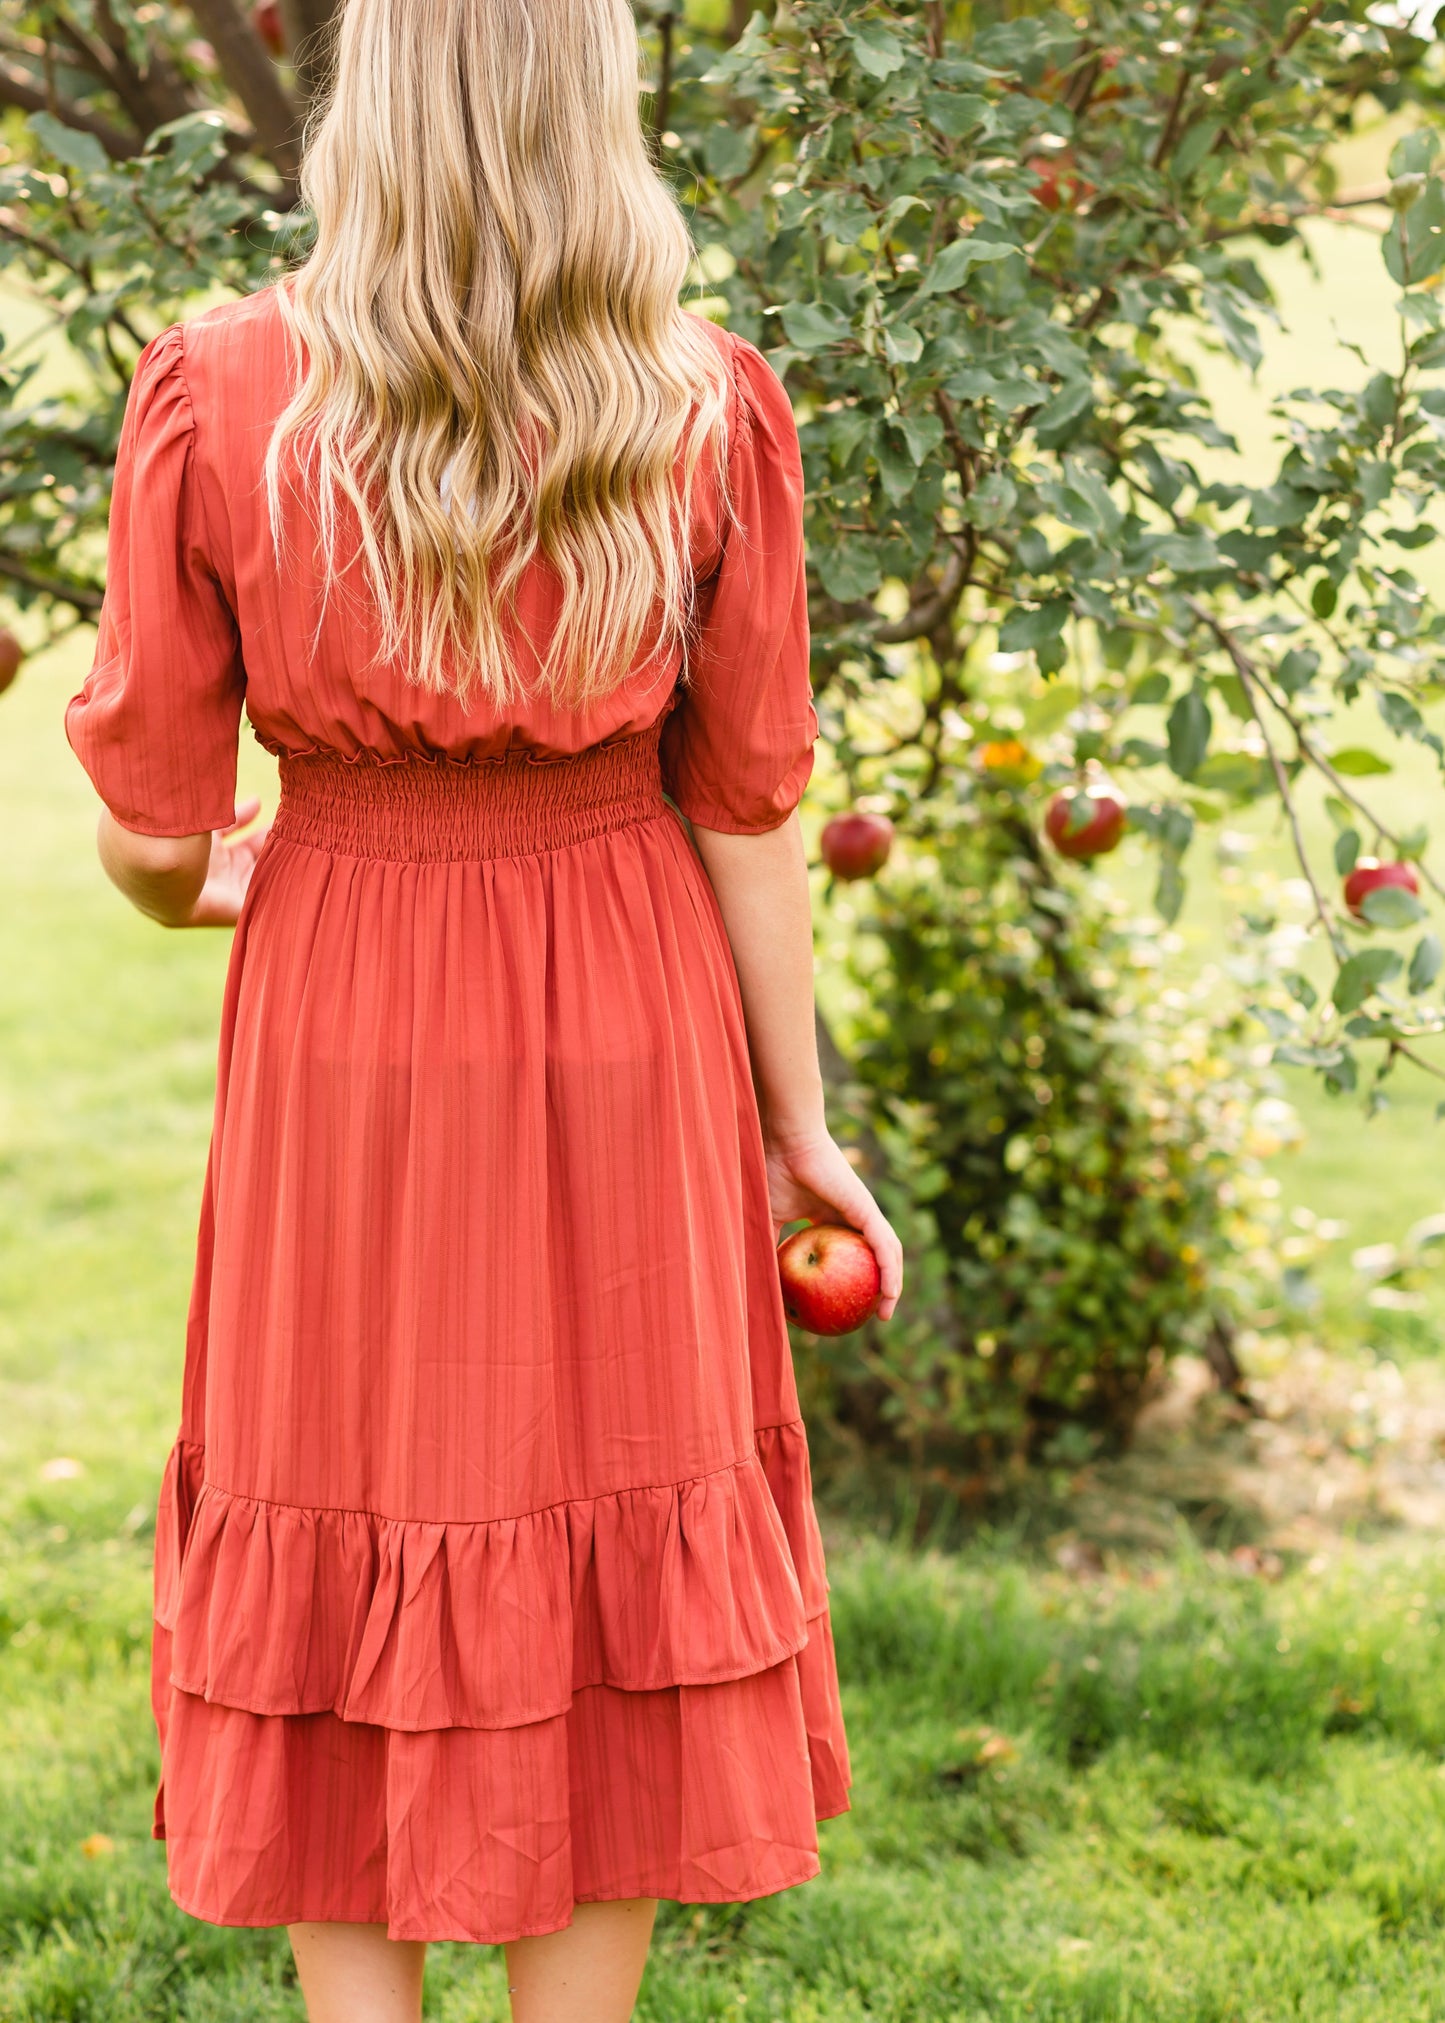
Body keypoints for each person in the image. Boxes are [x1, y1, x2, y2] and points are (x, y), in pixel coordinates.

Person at [64, 1, 903, 2018]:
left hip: (340, 1001)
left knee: (337, 1505)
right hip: (630, 997)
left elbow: (156, 825)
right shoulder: (701, 406)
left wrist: (219, 886)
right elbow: (748, 808)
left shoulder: (222, 392)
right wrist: (798, 1126)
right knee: (616, 1504)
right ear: (586, 102)